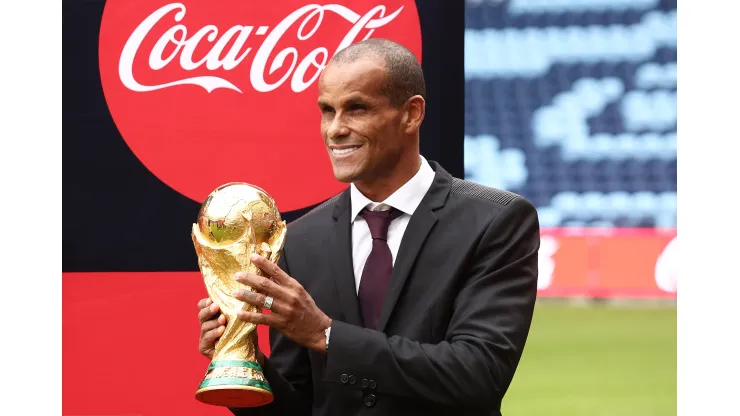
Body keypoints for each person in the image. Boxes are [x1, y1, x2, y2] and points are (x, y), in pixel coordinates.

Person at [196, 38, 540, 416]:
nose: (335, 129)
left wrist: (325, 334)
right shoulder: (300, 240)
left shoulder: (496, 220)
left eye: (356, 109)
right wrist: (243, 364)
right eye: (327, 111)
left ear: (411, 113)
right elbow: (299, 406)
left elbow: (479, 374)